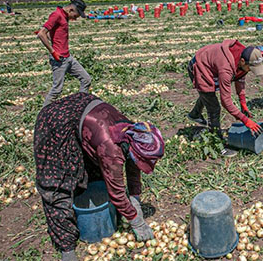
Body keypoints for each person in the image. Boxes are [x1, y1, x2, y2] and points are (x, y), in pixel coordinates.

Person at [32, 92, 164, 261]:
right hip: (56, 123)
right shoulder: (112, 148)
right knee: (57, 183)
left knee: (95, 172)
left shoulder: (133, 133)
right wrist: (136, 221)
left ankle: (94, 204)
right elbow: (116, 192)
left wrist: (135, 197)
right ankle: (66, 245)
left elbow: (133, 167)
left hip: (83, 116)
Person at [187, 40, 263, 157]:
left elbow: (240, 77)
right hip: (199, 66)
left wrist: (243, 103)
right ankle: (217, 143)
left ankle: (195, 114)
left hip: (211, 63)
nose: (250, 71)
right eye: (250, 68)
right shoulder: (226, 68)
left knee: (208, 95)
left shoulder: (244, 55)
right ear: (243, 61)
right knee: (213, 107)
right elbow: (226, 102)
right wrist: (245, 120)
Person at [37, 0, 90, 106]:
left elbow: (49, 33)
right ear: (71, 10)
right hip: (59, 59)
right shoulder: (56, 15)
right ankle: (43, 116)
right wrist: (53, 52)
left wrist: (51, 37)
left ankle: (80, 107)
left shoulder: (64, 16)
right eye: (75, 16)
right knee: (57, 89)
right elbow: (41, 33)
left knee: (86, 79)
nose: (75, 19)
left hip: (68, 57)